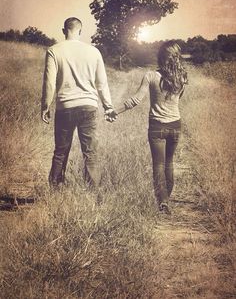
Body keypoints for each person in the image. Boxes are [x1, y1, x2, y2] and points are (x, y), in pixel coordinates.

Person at [41, 17, 116, 189]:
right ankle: (93, 192)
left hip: (65, 107)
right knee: (90, 152)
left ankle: (55, 189)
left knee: (61, 150)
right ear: (80, 31)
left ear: (63, 30)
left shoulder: (54, 50)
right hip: (88, 106)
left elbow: (49, 82)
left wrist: (45, 106)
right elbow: (101, 83)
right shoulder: (94, 51)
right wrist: (108, 106)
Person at [120, 41, 188, 214]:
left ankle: (163, 201)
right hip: (175, 125)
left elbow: (136, 100)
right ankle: (167, 198)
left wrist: (116, 111)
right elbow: (178, 99)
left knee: (158, 164)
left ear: (160, 57)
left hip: (157, 126)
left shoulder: (150, 76)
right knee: (169, 163)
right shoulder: (182, 77)